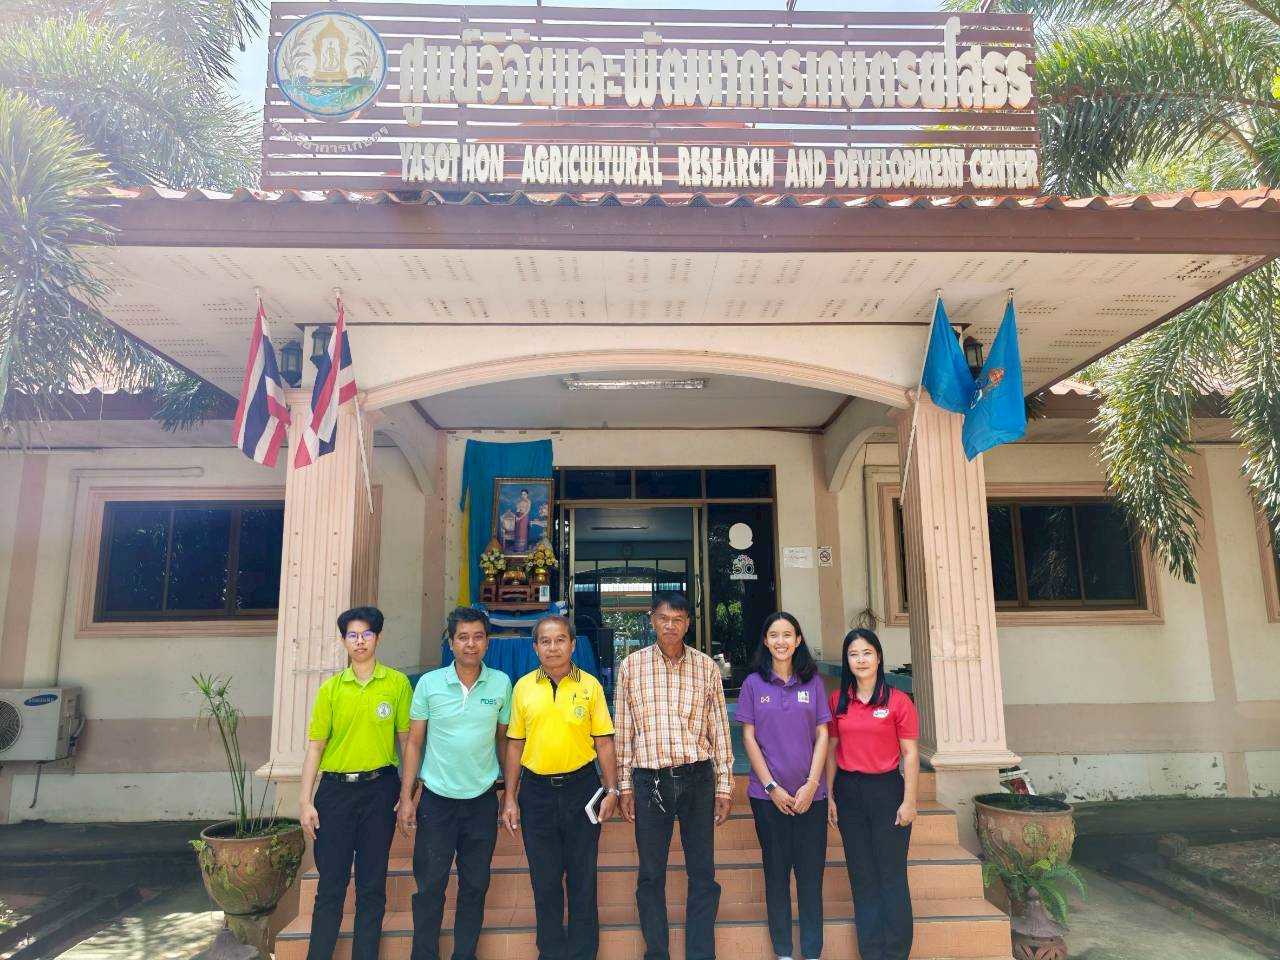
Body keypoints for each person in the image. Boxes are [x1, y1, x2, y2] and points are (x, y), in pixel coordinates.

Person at [614, 592, 733, 960]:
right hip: (649, 782)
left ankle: (701, 953)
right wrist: (624, 785)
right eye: (664, 618)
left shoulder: (706, 667)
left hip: (698, 778)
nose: (670, 626)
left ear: (688, 624)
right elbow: (624, 730)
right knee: (651, 874)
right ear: (652, 620)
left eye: (678, 619)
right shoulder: (631, 666)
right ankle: (657, 952)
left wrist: (725, 785)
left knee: (703, 872)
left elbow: (720, 729)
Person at [501, 614, 619, 960]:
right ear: (535, 647)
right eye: (545, 641)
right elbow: (514, 745)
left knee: (583, 878)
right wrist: (510, 797)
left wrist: (612, 790)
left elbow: (604, 742)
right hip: (536, 793)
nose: (553, 648)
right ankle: (550, 952)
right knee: (545, 879)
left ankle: (584, 953)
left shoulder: (590, 686)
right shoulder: (523, 687)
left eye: (560, 640)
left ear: (572, 644)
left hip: (582, 790)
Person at [397, 607, 512, 960]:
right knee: (429, 887)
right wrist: (407, 796)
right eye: (463, 637)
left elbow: (505, 741)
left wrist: (510, 792)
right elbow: (414, 743)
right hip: (437, 802)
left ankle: (465, 954)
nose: (470, 644)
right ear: (450, 643)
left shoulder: (501, 683)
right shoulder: (429, 684)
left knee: (474, 886)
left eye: (478, 637)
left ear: (488, 642)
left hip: (481, 802)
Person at [298, 606, 412, 960]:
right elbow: (316, 747)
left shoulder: (397, 684)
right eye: (352, 635)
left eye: (366, 634)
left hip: (380, 791)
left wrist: (408, 792)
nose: (359, 641)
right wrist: (305, 801)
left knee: (371, 885)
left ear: (378, 637)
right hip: (335, 794)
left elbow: (407, 742)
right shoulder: (331, 689)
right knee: (331, 885)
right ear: (343, 641)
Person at [734, 612, 831, 960]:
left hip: (812, 798)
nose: (781, 641)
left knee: (810, 878)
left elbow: (823, 733)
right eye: (774, 635)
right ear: (765, 640)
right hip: (767, 798)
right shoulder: (753, 684)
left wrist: (812, 784)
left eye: (787, 634)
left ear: (798, 640)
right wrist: (772, 787)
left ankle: (812, 951)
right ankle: (784, 952)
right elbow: (748, 738)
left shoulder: (813, 683)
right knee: (776, 875)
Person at [825, 629, 920, 960]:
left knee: (891, 875)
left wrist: (909, 801)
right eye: (853, 654)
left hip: (887, 791)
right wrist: (830, 795)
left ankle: (895, 952)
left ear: (878, 657)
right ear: (846, 660)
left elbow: (910, 754)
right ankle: (871, 951)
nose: (860, 660)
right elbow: (831, 749)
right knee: (862, 875)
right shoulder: (837, 700)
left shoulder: (898, 701)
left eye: (867, 653)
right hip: (848, 792)